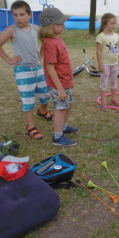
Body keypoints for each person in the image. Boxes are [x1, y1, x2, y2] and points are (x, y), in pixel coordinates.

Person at [0, 0, 54, 140]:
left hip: (37, 68)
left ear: (30, 15)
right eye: (15, 15)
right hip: (23, 70)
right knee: (28, 101)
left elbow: (46, 42)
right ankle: (30, 127)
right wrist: (9, 60)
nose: (19, 18)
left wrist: (41, 55)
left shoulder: (36, 28)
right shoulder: (11, 30)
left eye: (22, 14)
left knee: (45, 95)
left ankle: (42, 111)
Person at [39, 8, 79, 147]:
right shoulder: (50, 43)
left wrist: (69, 81)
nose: (64, 25)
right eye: (60, 23)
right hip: (58, 83)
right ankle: (57, 136)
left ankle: (63, 126)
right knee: (61, 108)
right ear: (50, 26)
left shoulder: (58, 38)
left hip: (65, 81)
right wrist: (60, 88)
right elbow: (50, 68)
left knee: (69, 104)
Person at [96, 13, 119, 111]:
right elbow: (98, 51)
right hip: (105, 64)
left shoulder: (116, 36)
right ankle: (103, 103)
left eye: (115, 23)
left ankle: (113, 99)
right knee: (104, 83)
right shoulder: (101, 37)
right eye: (112, 23)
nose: (114, 25)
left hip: (114, 64)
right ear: (105, 24)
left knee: (114, 82)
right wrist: (100, 65)